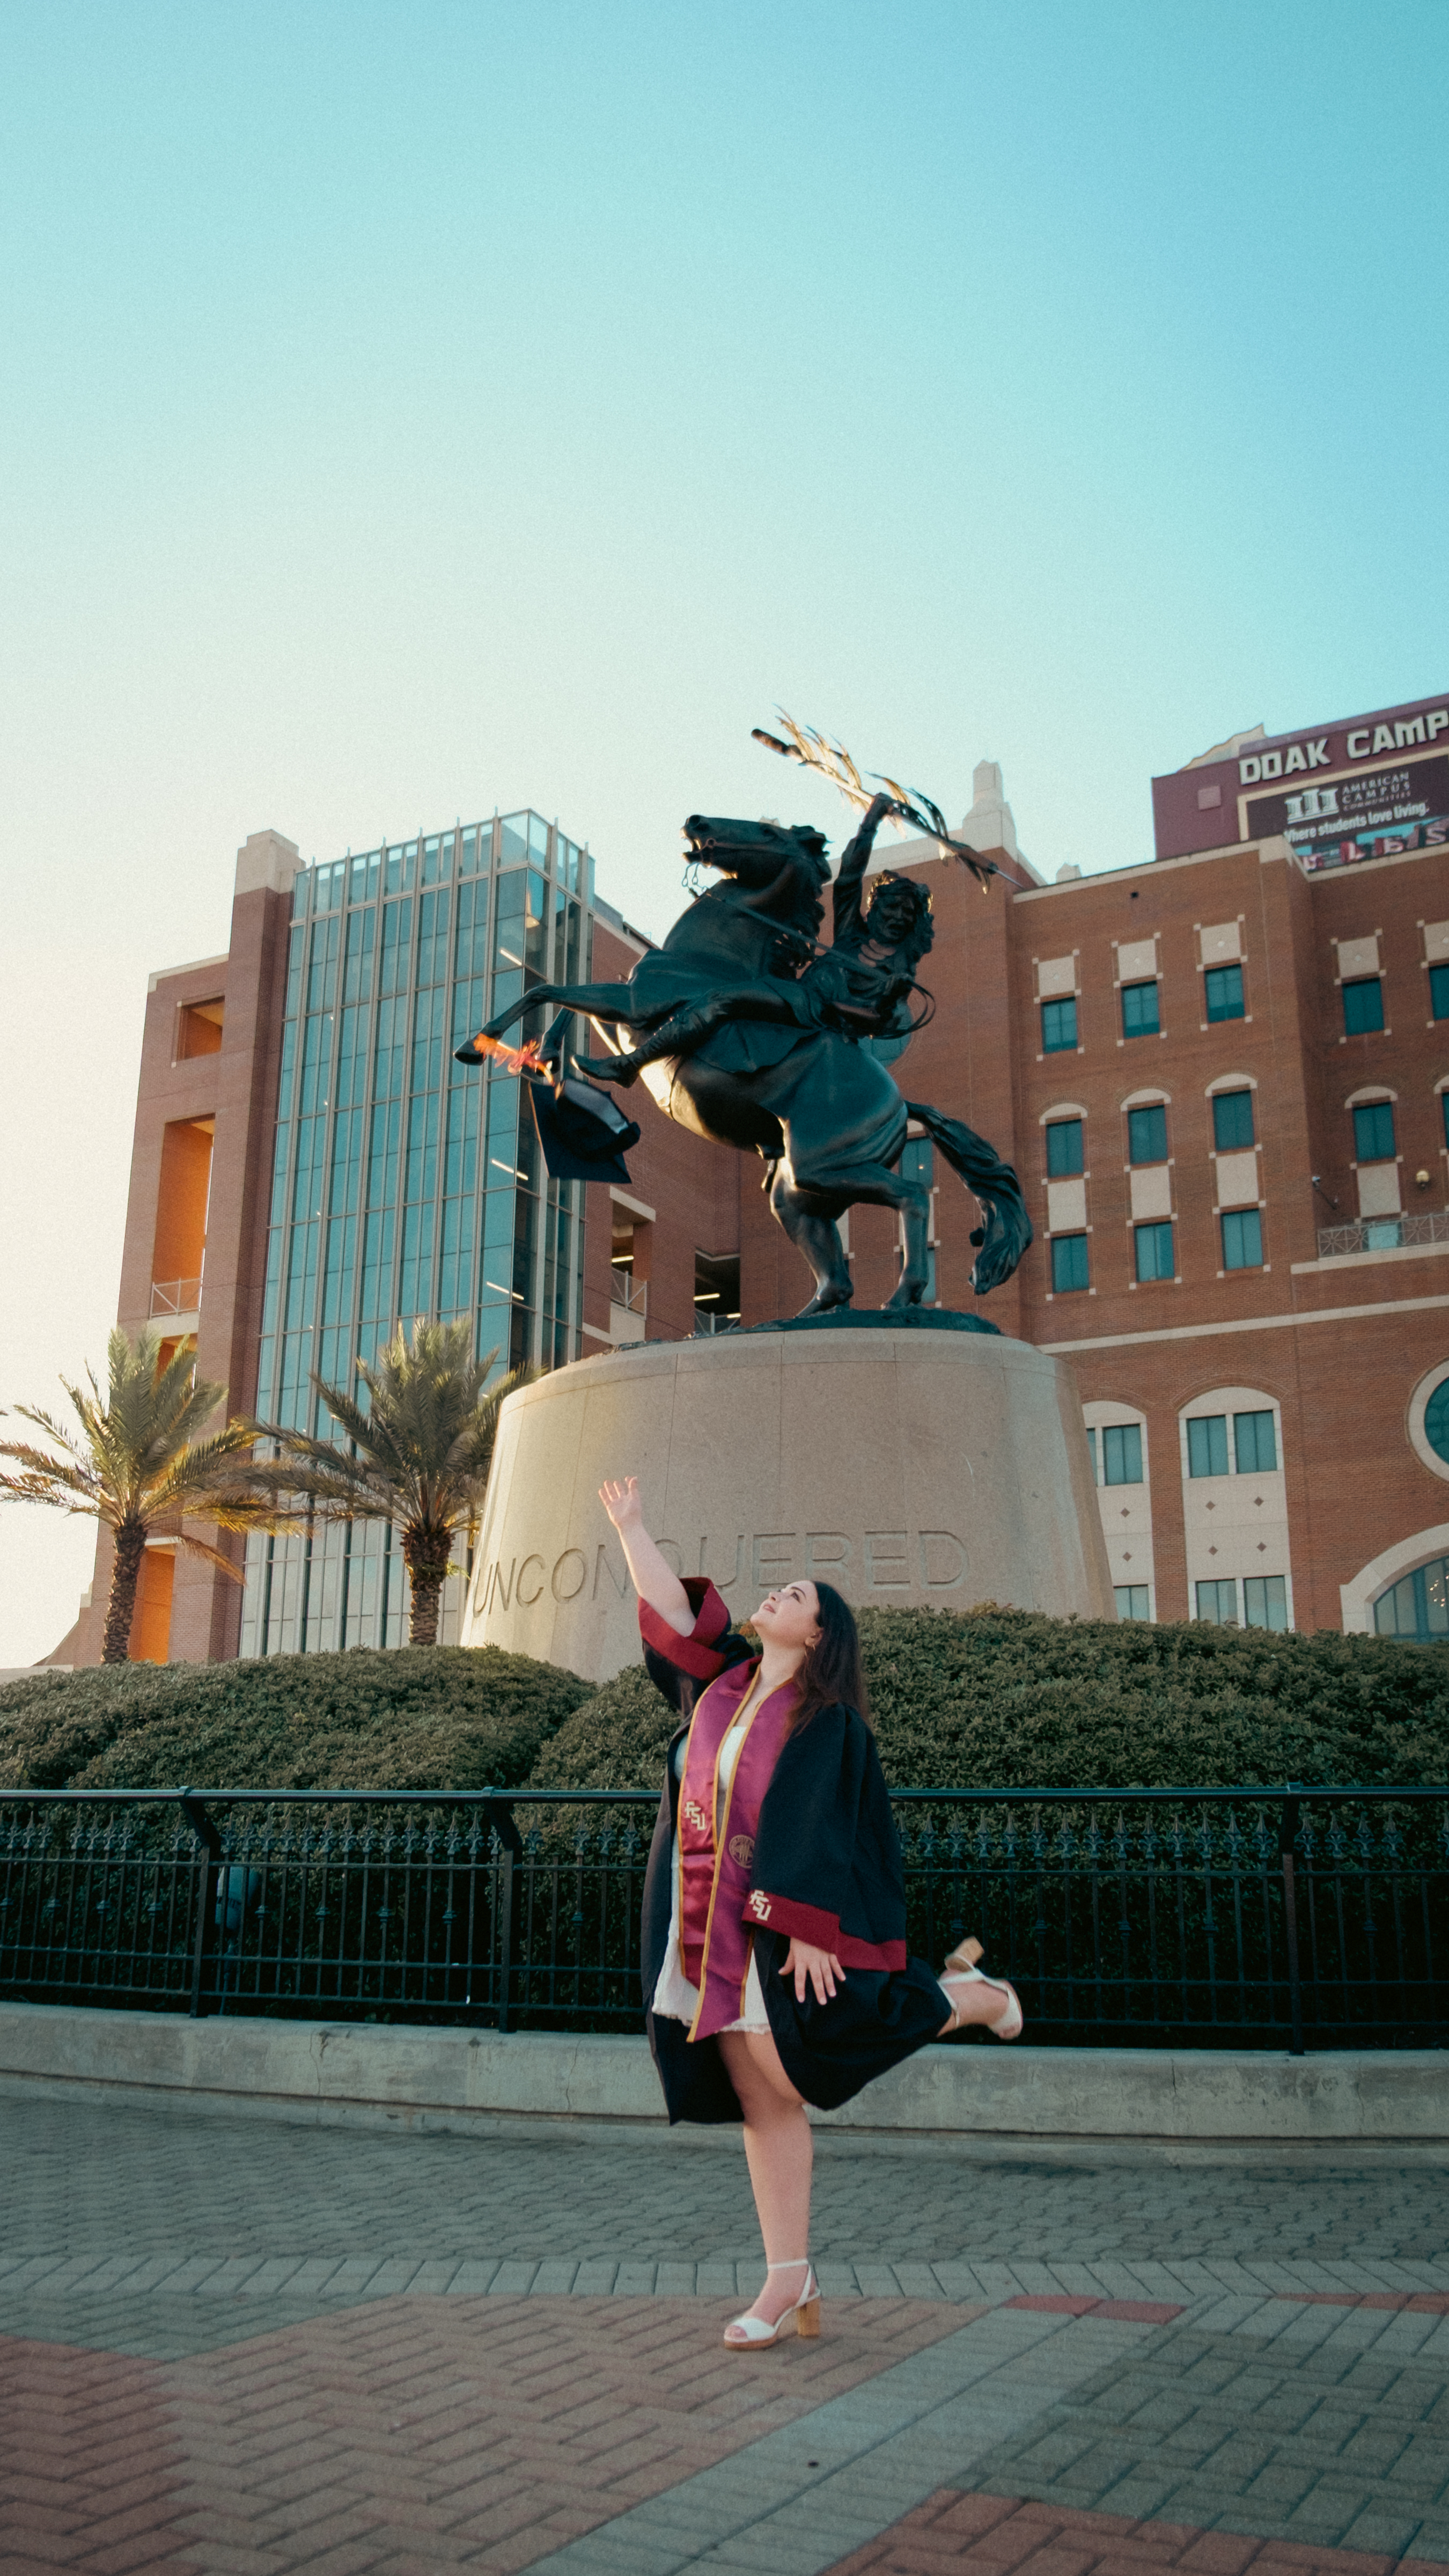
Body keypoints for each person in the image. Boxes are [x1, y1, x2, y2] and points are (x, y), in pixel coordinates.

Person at [598, 1476, 1023, 2353]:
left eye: (795, 1595)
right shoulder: (723, 1687)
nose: (777, 1593)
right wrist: (635, 1526)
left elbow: (825, 1824)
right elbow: (677, 1618)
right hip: (704, 1923)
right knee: (760, 2096)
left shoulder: (828, 1721)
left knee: (801, 2067)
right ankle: (788, 2278)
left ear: (817, 1631)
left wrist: (803, 1920)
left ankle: (967, 1996)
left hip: (766, 1923)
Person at [578, 794, 935, 1087]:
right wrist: (871, 819)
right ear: (875, 908)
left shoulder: (901, 967)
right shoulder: (851, 934)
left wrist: (875, 1001)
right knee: (728, 996)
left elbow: (881, 1020)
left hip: (813, 1009)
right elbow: (850, 876)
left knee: (721, 999)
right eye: (892, 906)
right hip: (794, 996)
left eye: (906, 912)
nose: (897, 916)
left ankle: (632, 1063)